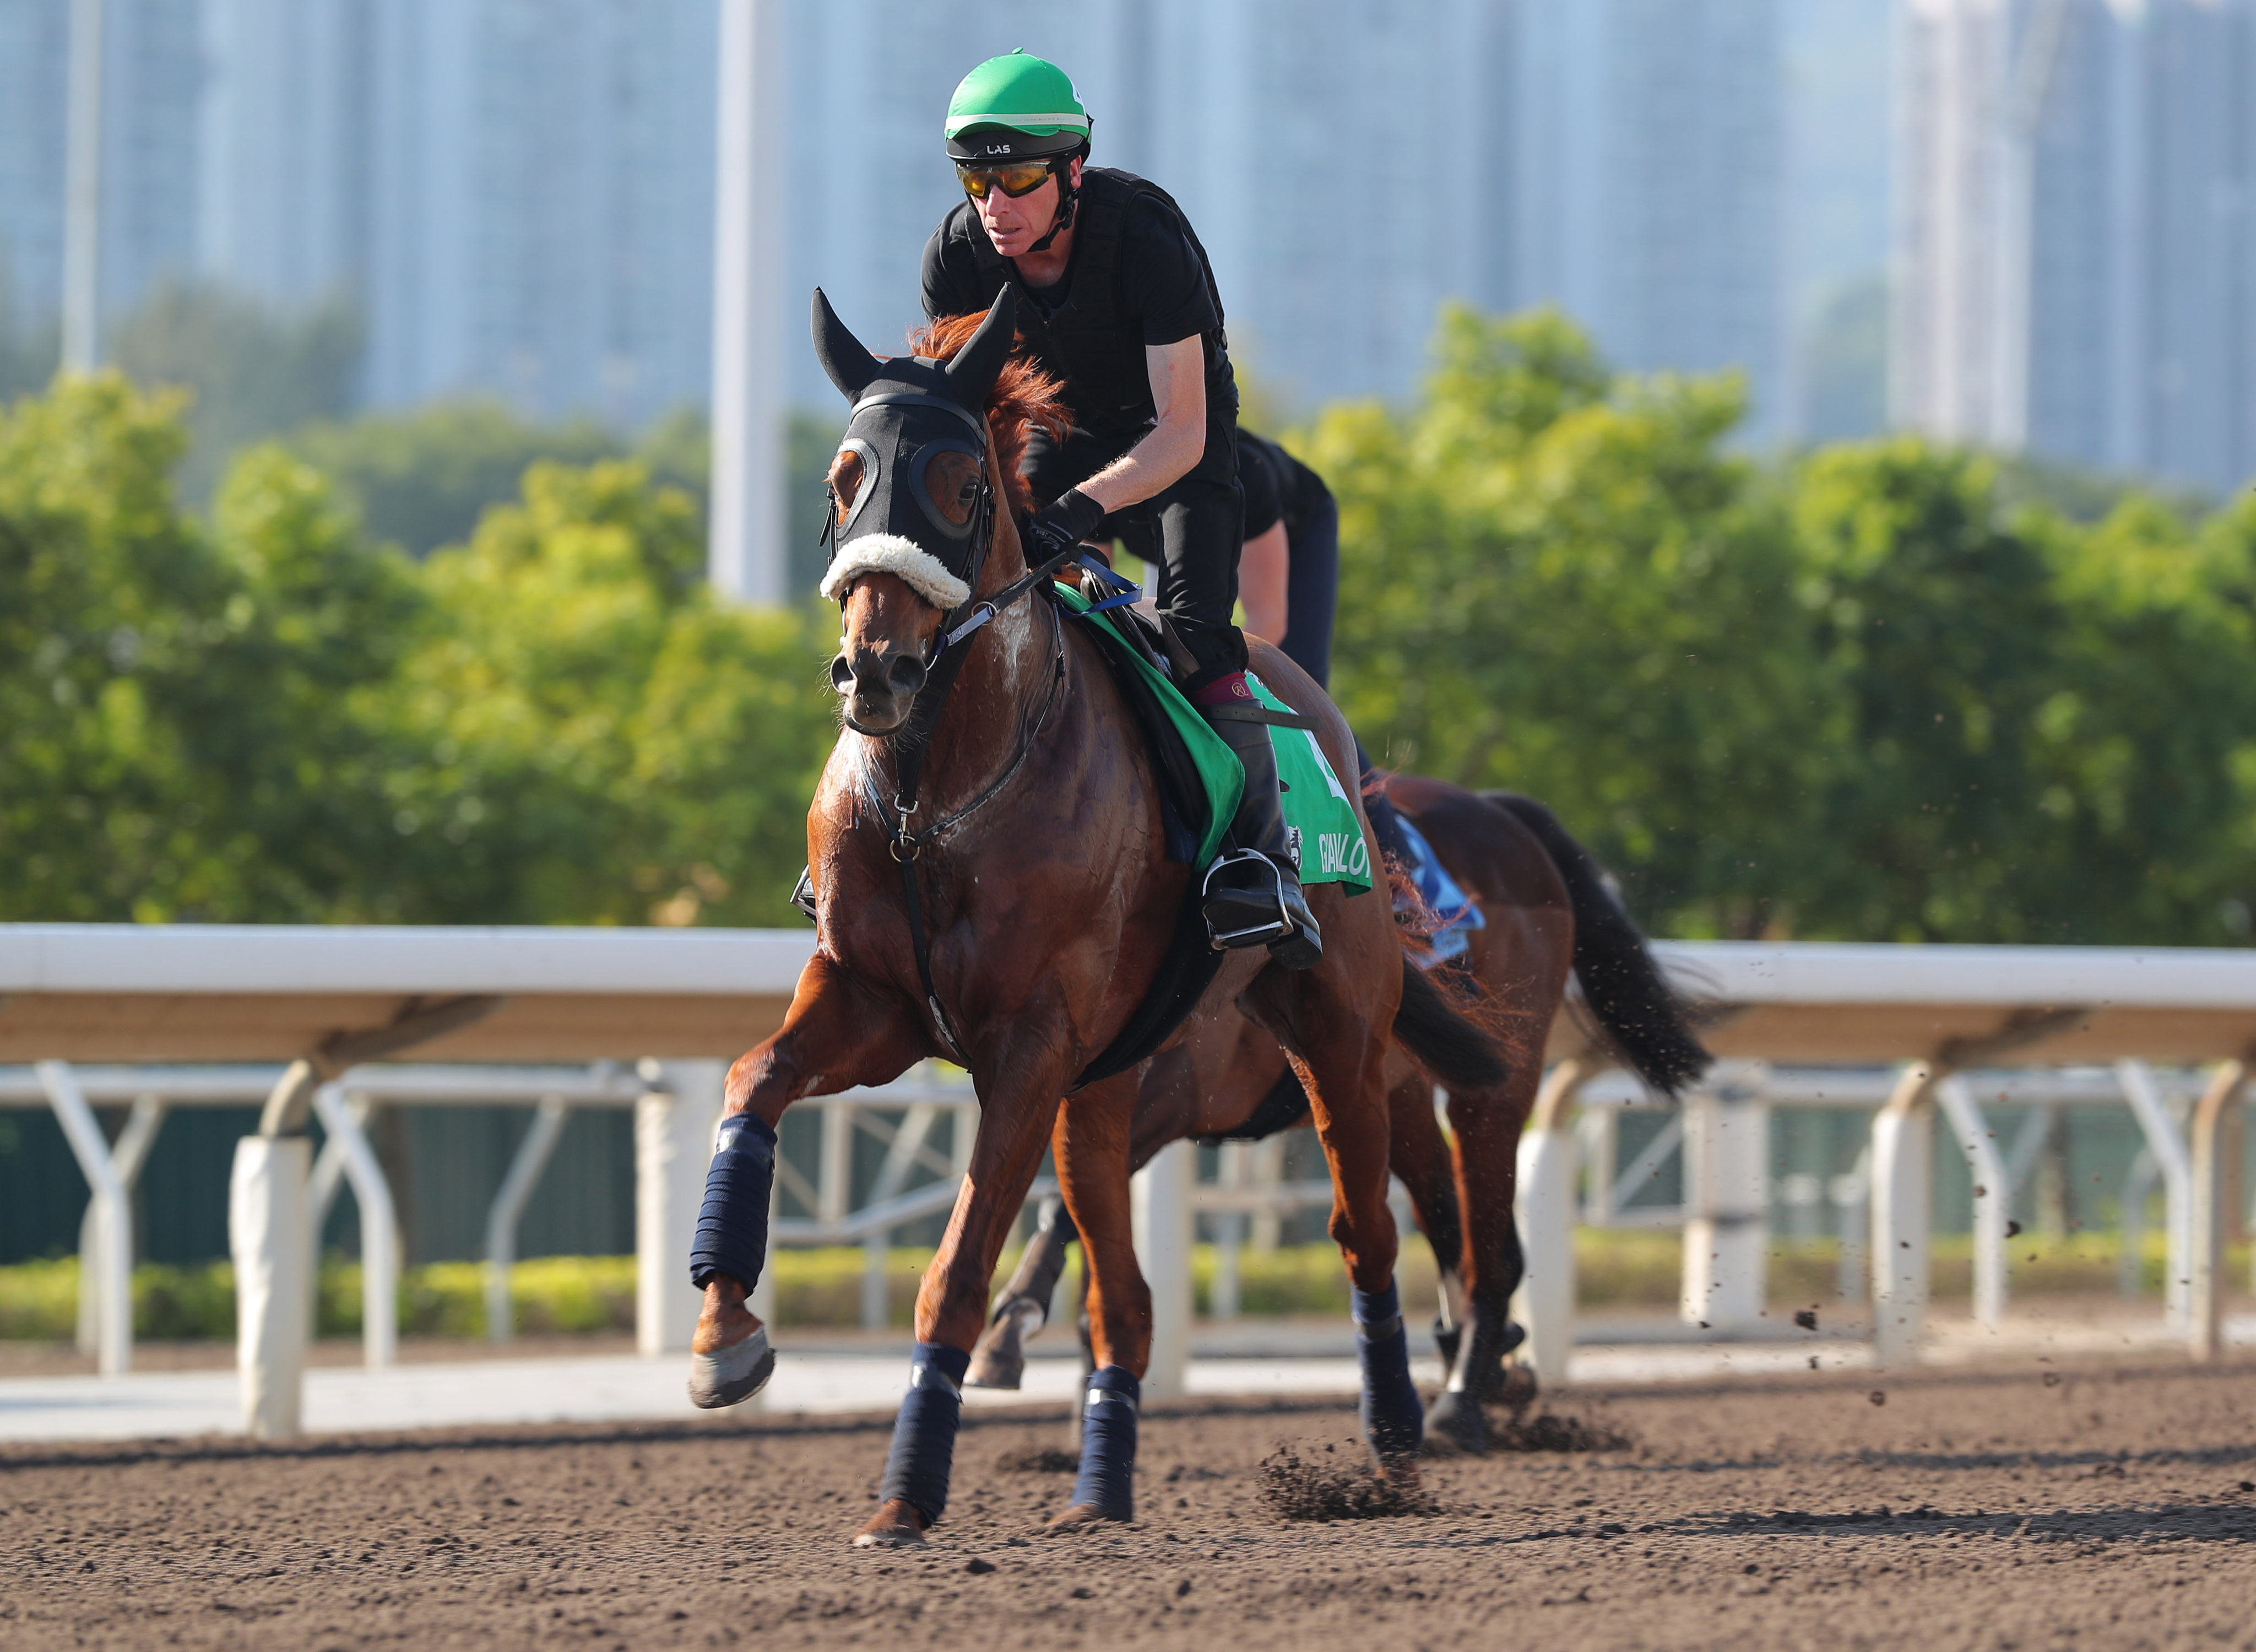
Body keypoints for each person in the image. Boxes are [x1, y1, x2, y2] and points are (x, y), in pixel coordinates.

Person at [921, 50, 1319, 968]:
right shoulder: (955, 255)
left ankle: (1260, 864)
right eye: (977, 178)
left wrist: (1078, 510)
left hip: (1179, 445)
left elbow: (1181, 433)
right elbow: (962, 421)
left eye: (1018, 177)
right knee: (969, 618)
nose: (996, 205)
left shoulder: (1144, 236)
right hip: (1058, 433)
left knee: (1192, 636)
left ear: (1072, 170)